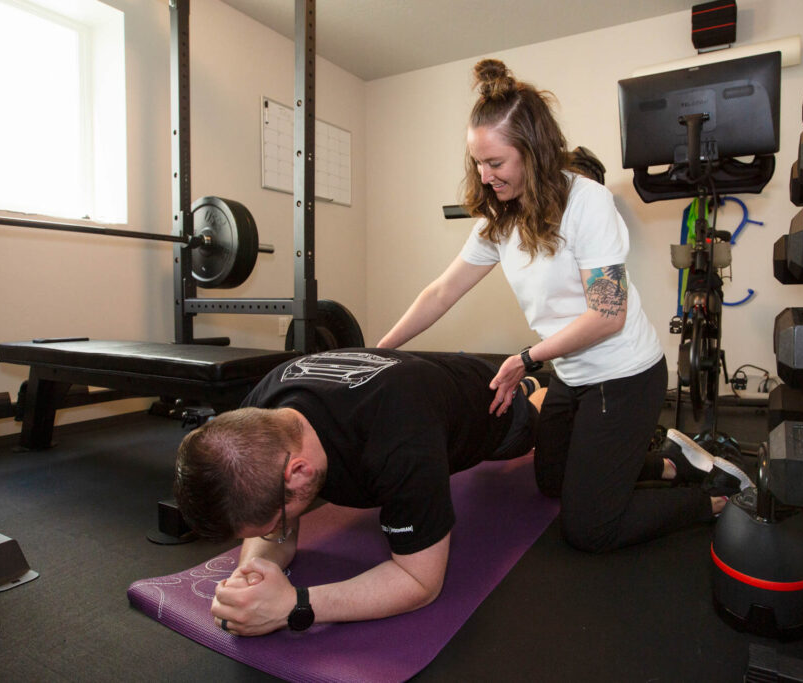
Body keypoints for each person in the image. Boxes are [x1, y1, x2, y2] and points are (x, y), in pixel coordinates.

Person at [378, 58, 751, 554]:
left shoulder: (587, 203)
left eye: (495, 163)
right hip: (572, 375)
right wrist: (377, 353)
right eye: (478, 163)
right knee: (552, 481)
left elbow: (608, 314)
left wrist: (527, 359)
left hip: (623, 376)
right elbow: (441, 292)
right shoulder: (498, 220)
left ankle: (711, 501)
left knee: (589, 527)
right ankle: (668, 462)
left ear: (532, 152)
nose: (485, 176)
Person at [173, 348, 543, 636]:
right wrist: (254, 569)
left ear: (297, 472)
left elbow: (420, 581)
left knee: (529, 431)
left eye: (268, 525)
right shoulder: (258, 414)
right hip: (418, 378)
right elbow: (275, 534)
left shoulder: (399, 435)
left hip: (488, 406)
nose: (266, 535)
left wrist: (294, 606)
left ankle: (536, 391)